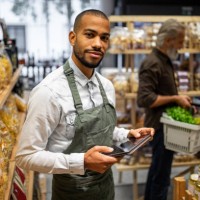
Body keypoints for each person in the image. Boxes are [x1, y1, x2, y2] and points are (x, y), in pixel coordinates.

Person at [16, 9, 154, 200]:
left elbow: (100, 130)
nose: (98, 44)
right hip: (70, 193)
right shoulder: (49, 92)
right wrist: (82, 162)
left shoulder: (106, 86)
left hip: (106, 188)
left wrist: (127, 135)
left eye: (104, 38)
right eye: (89, 35)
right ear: (73, 37)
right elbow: (26, 156)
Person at [137, 19, 192, 200]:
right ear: (168, 40)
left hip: (165, 126)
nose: (182, 45)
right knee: (161, 177)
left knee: (157, 172)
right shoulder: (153, 63)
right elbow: (145, 99)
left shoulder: (164, 61)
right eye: (180, 40)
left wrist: (177, 98)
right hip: (160, 128)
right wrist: (175, 98)